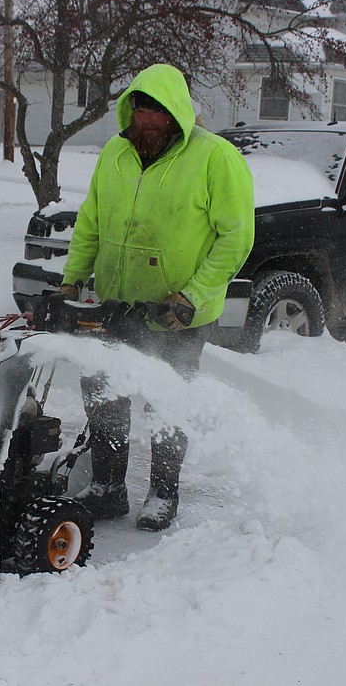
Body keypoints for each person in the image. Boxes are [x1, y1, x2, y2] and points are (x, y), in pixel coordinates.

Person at [58, 63, 255, 531]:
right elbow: (91, 220)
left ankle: (163, 494)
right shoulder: (114, 153)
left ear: (178, 115)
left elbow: (237, 237)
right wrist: (72, 280)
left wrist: (193, 294)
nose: (146, 120)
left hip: (177, 313)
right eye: (140, 108)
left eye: (157, 112)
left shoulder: (216, 158)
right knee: (104, 396)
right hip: (115, 302)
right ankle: (108, 489)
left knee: (166, 402)